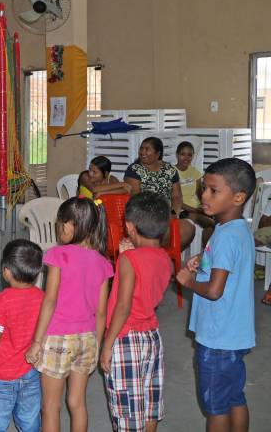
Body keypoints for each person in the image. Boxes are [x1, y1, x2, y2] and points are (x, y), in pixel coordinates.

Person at [176, 158, 256, 432]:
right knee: (235, 397)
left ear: (238, 197)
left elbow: (213, 290)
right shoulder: (236, 229)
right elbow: (227, 264)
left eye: (213, 191)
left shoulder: (224, 237)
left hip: (217, 338)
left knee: (216, 410)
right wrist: (202, 259)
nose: (204, 196)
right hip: (234, 335)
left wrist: (188, 281)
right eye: (204, 189)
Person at [25, 197, 113, 432]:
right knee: (77, 403)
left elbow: (50, 300)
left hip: (58, 339)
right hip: (87, 339)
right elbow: (102, 312)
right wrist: (96, 344)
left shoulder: (57, 255)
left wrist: (36, 342)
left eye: (60, 223)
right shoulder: (103, 262)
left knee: (50, 406)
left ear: (71, 225)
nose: (58, 228)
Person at [100, 192, 173, 432]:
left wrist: (107, 344)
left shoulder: (128, 260)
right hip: (152, 337)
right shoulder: (165, 259)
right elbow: (145, 287)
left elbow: (123, 306)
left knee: (127, 410)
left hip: (125, 340)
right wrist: (127, 255)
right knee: (150, 400)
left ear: (129, 226)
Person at [0, 239, 44, 432]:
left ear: (6, 271)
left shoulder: (3, 299)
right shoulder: (41, 297)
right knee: (30, 420)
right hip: (31, 371)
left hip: (2, 374)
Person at [124, 136, 195, 250]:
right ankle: (156, 255)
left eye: (147, 149)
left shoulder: (169, 170)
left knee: (189, 228)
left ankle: (166, 256)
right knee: (160, 232)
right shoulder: (134, 170)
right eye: (141, 148)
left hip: (167, 216)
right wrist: (156, 216)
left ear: (158, 154)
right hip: (145, 218)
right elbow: (136, 198)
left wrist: (174, 213)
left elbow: (176, 196)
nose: (143, 152)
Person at [174, 141, 214, 245]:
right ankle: (205, 254)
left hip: (197, 209)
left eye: (189, 155)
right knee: (211, 224)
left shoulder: (194, 172)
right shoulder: (172, 172)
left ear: (193, 156)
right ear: (177, 155)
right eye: (183, 154)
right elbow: (176, 200)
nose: (186, 158)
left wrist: (206, 207)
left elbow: (200, 194)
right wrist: (198, 210)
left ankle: (210, 252)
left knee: (220, 221)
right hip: (182, 210)